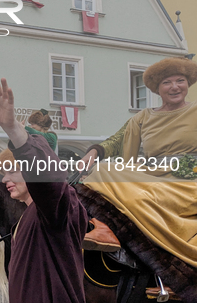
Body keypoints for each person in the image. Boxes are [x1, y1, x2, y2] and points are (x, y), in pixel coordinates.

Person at [0, 75, 87, 303]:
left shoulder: (56, 207)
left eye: (12, 171)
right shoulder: (28, 214)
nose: (5, 179)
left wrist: (13, 128)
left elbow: (50, 178)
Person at [83, 57, 197, 268]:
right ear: (157, 88)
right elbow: (117, 141)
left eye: (180, 80)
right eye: (166, 82)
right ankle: (103, 229)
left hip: (188, 182)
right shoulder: (143, 116)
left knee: (136, 198)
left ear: (188, 83)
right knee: (104, 169)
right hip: (150, 175)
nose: (174, 87)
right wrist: (94, 151)